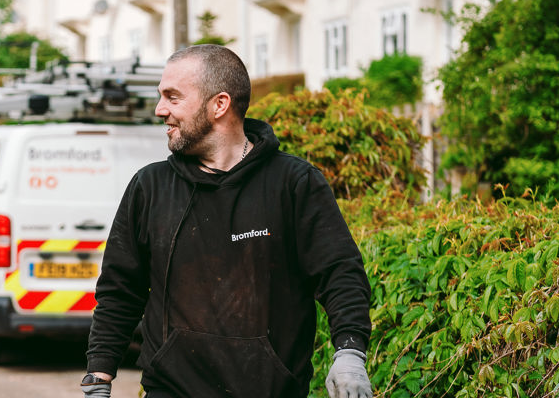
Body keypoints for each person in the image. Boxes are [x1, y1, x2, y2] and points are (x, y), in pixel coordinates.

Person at [81, 45, 373, 398]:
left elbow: (339, 272)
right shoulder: (150, 187)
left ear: (219, 105)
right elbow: (119, 289)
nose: (161, 110)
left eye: (173, 98)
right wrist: (99, 377)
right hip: (170, 391)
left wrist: (350, 352)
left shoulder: (294, 184)